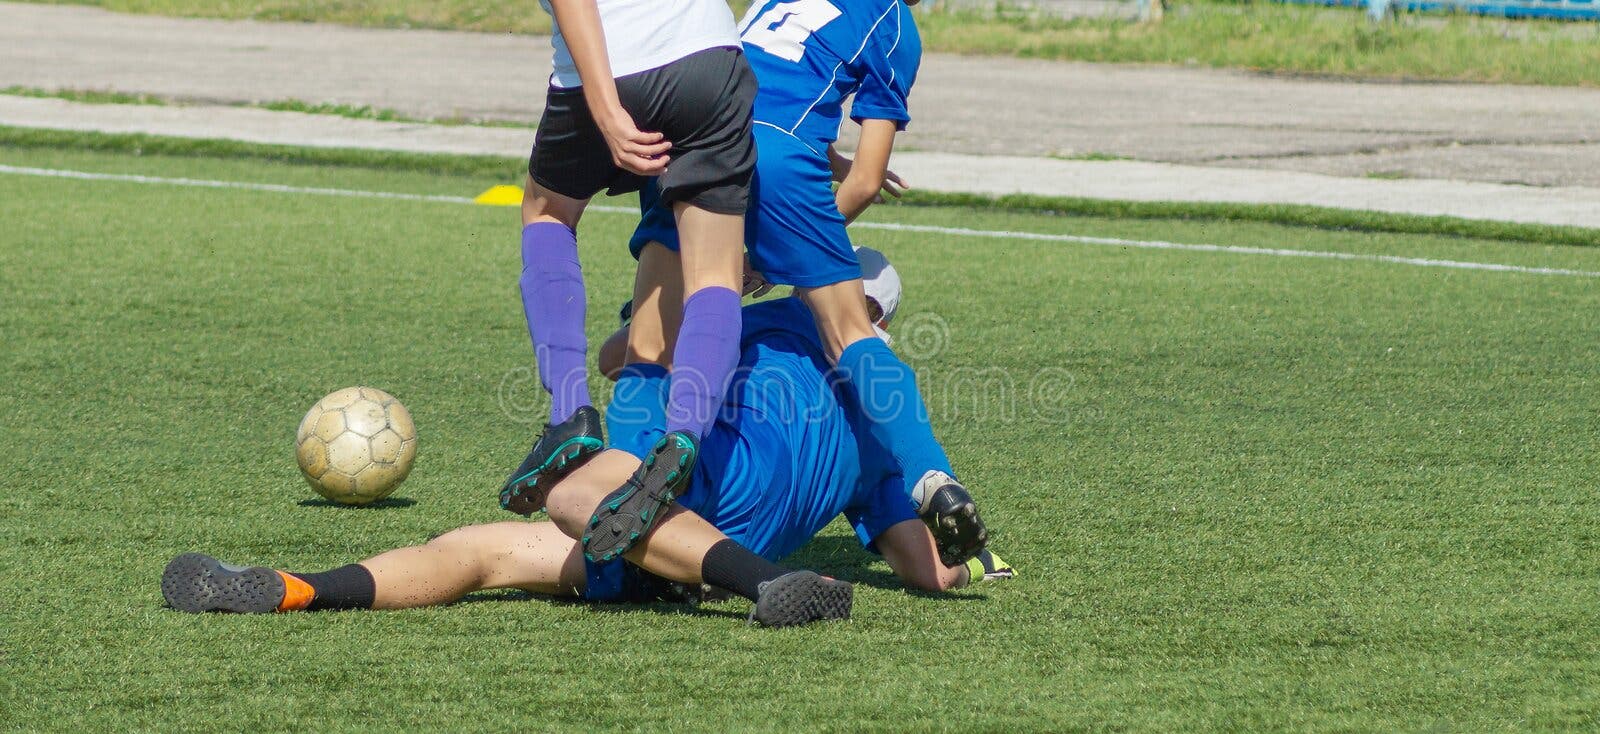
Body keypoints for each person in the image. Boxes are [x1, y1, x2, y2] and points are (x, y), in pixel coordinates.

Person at [163, 248, 1012, 627]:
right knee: (478, 549)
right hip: (669, 555)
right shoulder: (889, 433)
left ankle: (762, 585)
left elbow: (627, 352)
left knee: (530, 517)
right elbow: (925, 571)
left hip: (665, 498)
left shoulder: (779, 319)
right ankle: (287, 589)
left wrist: (722, 278)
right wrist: (972, 560)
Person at [592, 0, 984, 568]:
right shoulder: (894, 22)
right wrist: (770, 261)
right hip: (779, 158)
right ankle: (932, 474)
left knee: (649, 346)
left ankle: (630, 494)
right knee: (850, 333)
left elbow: (757, 85)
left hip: (692, 133)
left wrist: (828, 161)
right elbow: (869, 180)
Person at [505, 0, 760, 551]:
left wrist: (606, 110)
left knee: (547, 211)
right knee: (715, 271)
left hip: (615, 68)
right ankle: (684, 436)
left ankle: (568, 412)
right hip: (712, 62)